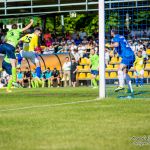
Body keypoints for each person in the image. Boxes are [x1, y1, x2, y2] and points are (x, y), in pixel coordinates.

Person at [0, 19, 33, 86]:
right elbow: (26, 28)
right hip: (10, 47)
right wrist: (31, 22)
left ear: (11, 28)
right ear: (17, 28)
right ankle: (14, 81)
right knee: (13, 64)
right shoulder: (18, 30)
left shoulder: (9, 32)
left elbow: (5, 40)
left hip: (3, 45)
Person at [110, 29, 135, 93]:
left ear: (112, 33)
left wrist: (109, 45)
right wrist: (113, 51)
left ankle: (121, 85)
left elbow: (117, 45)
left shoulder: (116, 37)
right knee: (125, 72)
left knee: (119, 69)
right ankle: (130, 89)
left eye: (110, 32)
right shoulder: (121, 36)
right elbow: (120, 46)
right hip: (131, 55)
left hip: (127, 56)